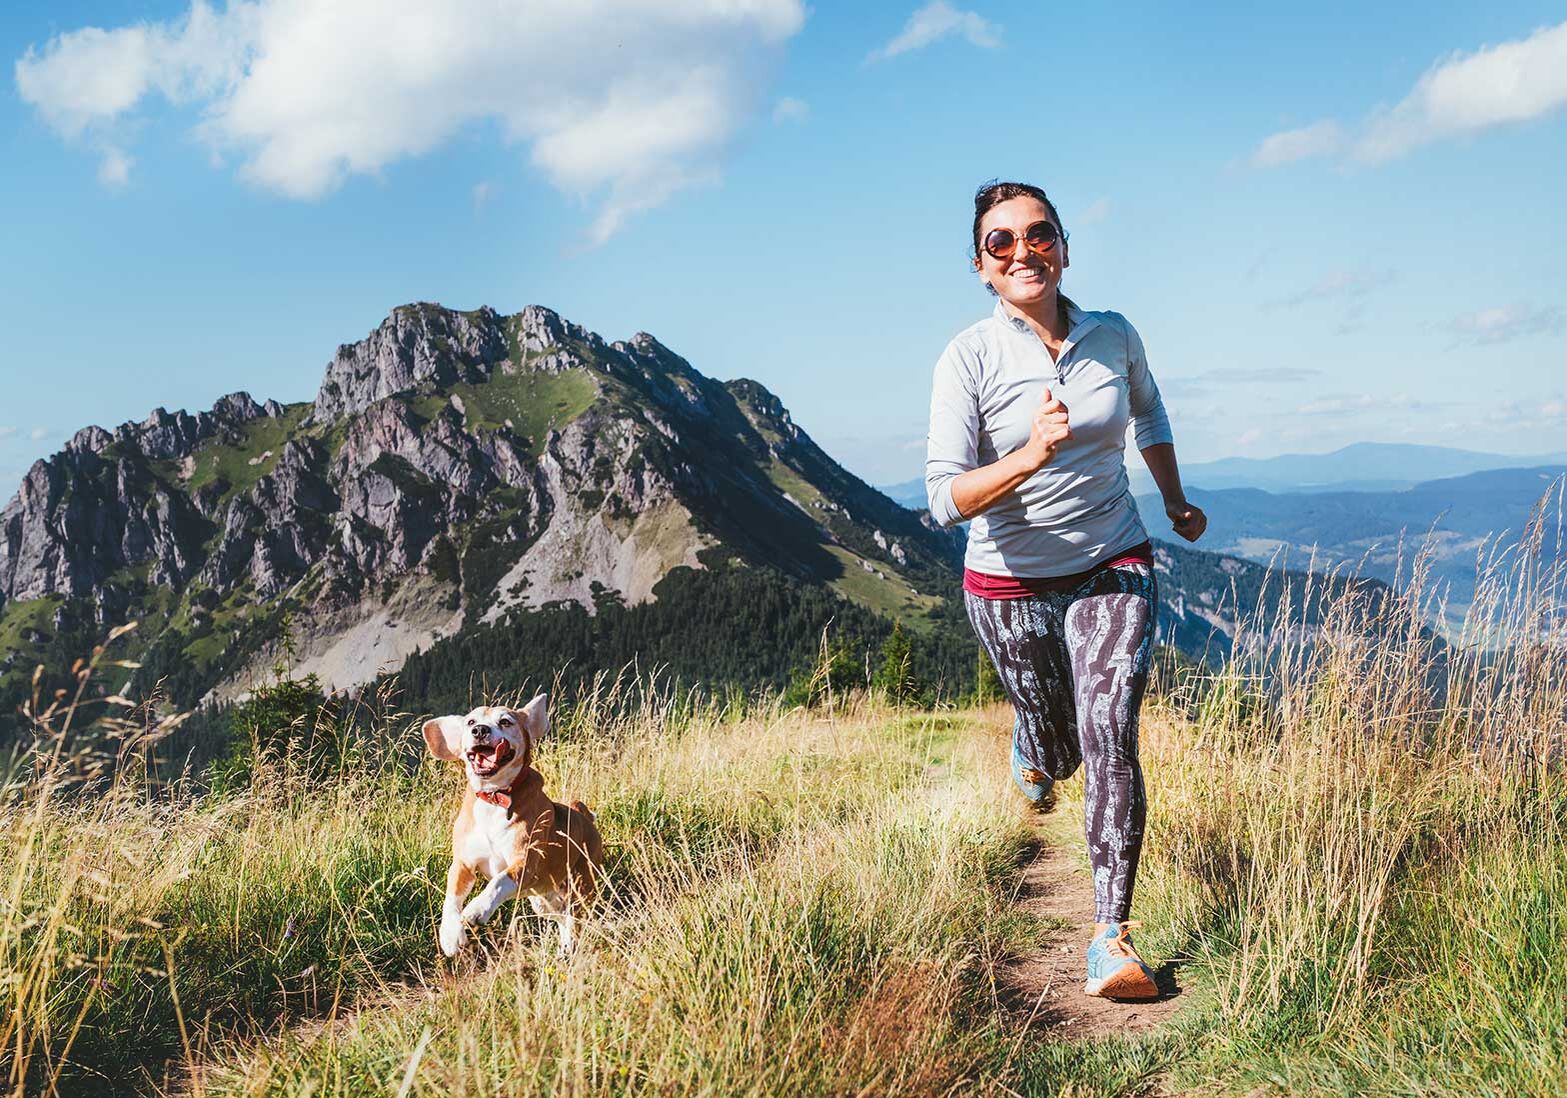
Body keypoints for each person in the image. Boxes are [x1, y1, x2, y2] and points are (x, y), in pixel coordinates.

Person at [925, 180, 1207, 1001]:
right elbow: (943, 498)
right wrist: (1025, 456)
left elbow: (1148, 415)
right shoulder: (968, 358)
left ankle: (1110, 938)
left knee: (1110, 726)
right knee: (1059, 744)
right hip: (1008, 585)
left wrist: (1175, 498)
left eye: (1037, 234)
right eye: (1001, 243)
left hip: (1111, 560)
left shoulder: (1110, 335)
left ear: (1064, 246)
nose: (1023, 252)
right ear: (981, 267)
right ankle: (1032, 751)